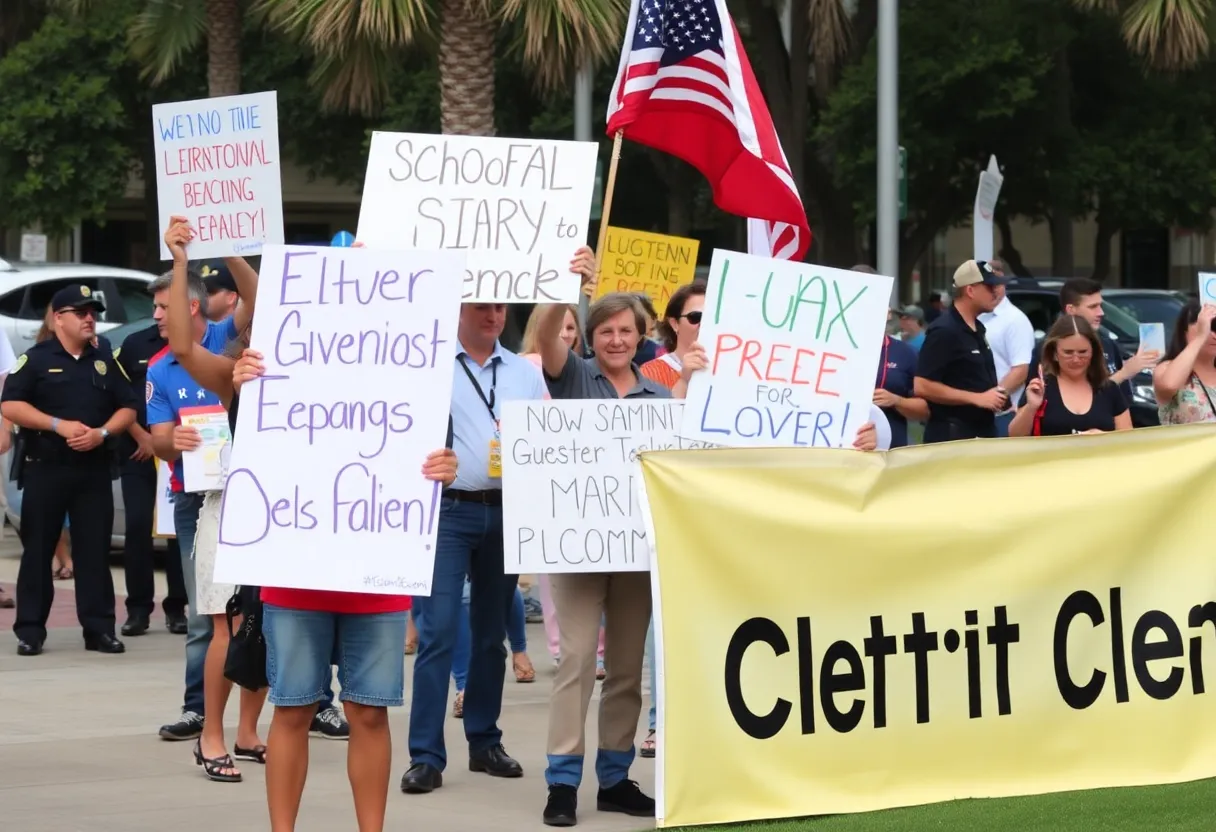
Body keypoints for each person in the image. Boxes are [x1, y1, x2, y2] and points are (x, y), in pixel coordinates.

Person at [229, 349, 461, 831]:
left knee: (370, 713)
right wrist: (243, 387)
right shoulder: (274, 373)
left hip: (377, 580)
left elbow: (435, 455)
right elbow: (247, 442)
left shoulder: (413, 382)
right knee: (293, 708)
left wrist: (445, 467)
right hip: (295, 576)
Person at [400, 294, 554, 796]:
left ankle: (485, 742)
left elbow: (538, 442)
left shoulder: (524, 373)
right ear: (458, 310)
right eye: (482, 306)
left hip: (505, 510)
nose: (493, 316)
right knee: (438, 631)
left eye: (501, 309)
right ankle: (425, 755)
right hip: (448, 510)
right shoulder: (428, 363)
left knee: (491, 637)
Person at [162, 216, 267, 782]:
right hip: (229, 509)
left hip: (285, 514)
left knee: (268, 623)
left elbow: (261, 297)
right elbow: (181, 344)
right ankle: (211, 734)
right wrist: (187, 260)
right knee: (226, 625)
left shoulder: (313, 376)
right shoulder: (231, 374)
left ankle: (250, 732)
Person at [1, 285, 137, 656]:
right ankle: (30, 631)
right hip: (46, 468)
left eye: (92, 311)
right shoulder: (37, 358)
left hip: (92, 470)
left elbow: (128, 407)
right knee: (38, 552)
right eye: (80, 312)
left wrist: (103, 432)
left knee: (94, 553)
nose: (89, 318)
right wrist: (57, 424)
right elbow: (11, 405)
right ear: (58, 318)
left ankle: (99, 630)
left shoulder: (105, 360)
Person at [114, 320, 188, 637]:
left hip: (180, 453)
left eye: (166, 307)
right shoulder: (133, 344)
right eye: (156, 306)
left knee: (177, 534)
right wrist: (142, 436)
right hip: (139, 453)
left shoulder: (193, 343)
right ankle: (138, 609)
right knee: (138, 527)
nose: (159, 314)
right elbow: (117, 396)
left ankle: (177, 607)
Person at [914, 260, 1007, 443]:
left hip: (981, 433)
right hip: (952, 436)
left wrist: (994, 396)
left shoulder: (977, 328)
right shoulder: (944, 330)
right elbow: (922, 385)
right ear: (970, 290)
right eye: (989, 287)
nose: (996, 292)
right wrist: (977, 398)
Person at [1027, 278, 1157, 402]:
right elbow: (1075, 399)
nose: (1101, 312)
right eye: (1093, 307)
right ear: (1071, 310)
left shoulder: (1108, 344)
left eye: (1100, 305)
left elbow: (1123, 397)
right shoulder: (1049, 349)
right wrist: (1124, 373)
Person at [1009, 316, 1131, 436]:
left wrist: (1104, 438)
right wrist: (1031, 407)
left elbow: (1129, 441)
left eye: (1083, 352)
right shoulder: (1040, 388)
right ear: (1054, 353)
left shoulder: (1108, 388)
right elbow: (1015, 436)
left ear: (1093, 352)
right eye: (1068, 352)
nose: (1076, 359)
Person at [978, 261, 1034, 437]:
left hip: (1003, 414)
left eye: (998, 283)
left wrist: (991, 399)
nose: (994, 288)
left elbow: (1020, 370)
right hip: (974, 412)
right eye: (988, 284)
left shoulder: (1015, 320)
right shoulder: (975, 315)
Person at [1154, 300, 1216, 424]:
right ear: (1185, 333)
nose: (1214, 335)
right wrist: (1200, 338)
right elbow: (1169, 385)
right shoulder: (1166, 368)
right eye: (1210, 327)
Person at [639, 281, 705, 389]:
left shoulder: (732, 371)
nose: (704, 324)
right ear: (674, 323)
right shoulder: (650, 372)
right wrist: (684, 380)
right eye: (696, 317)